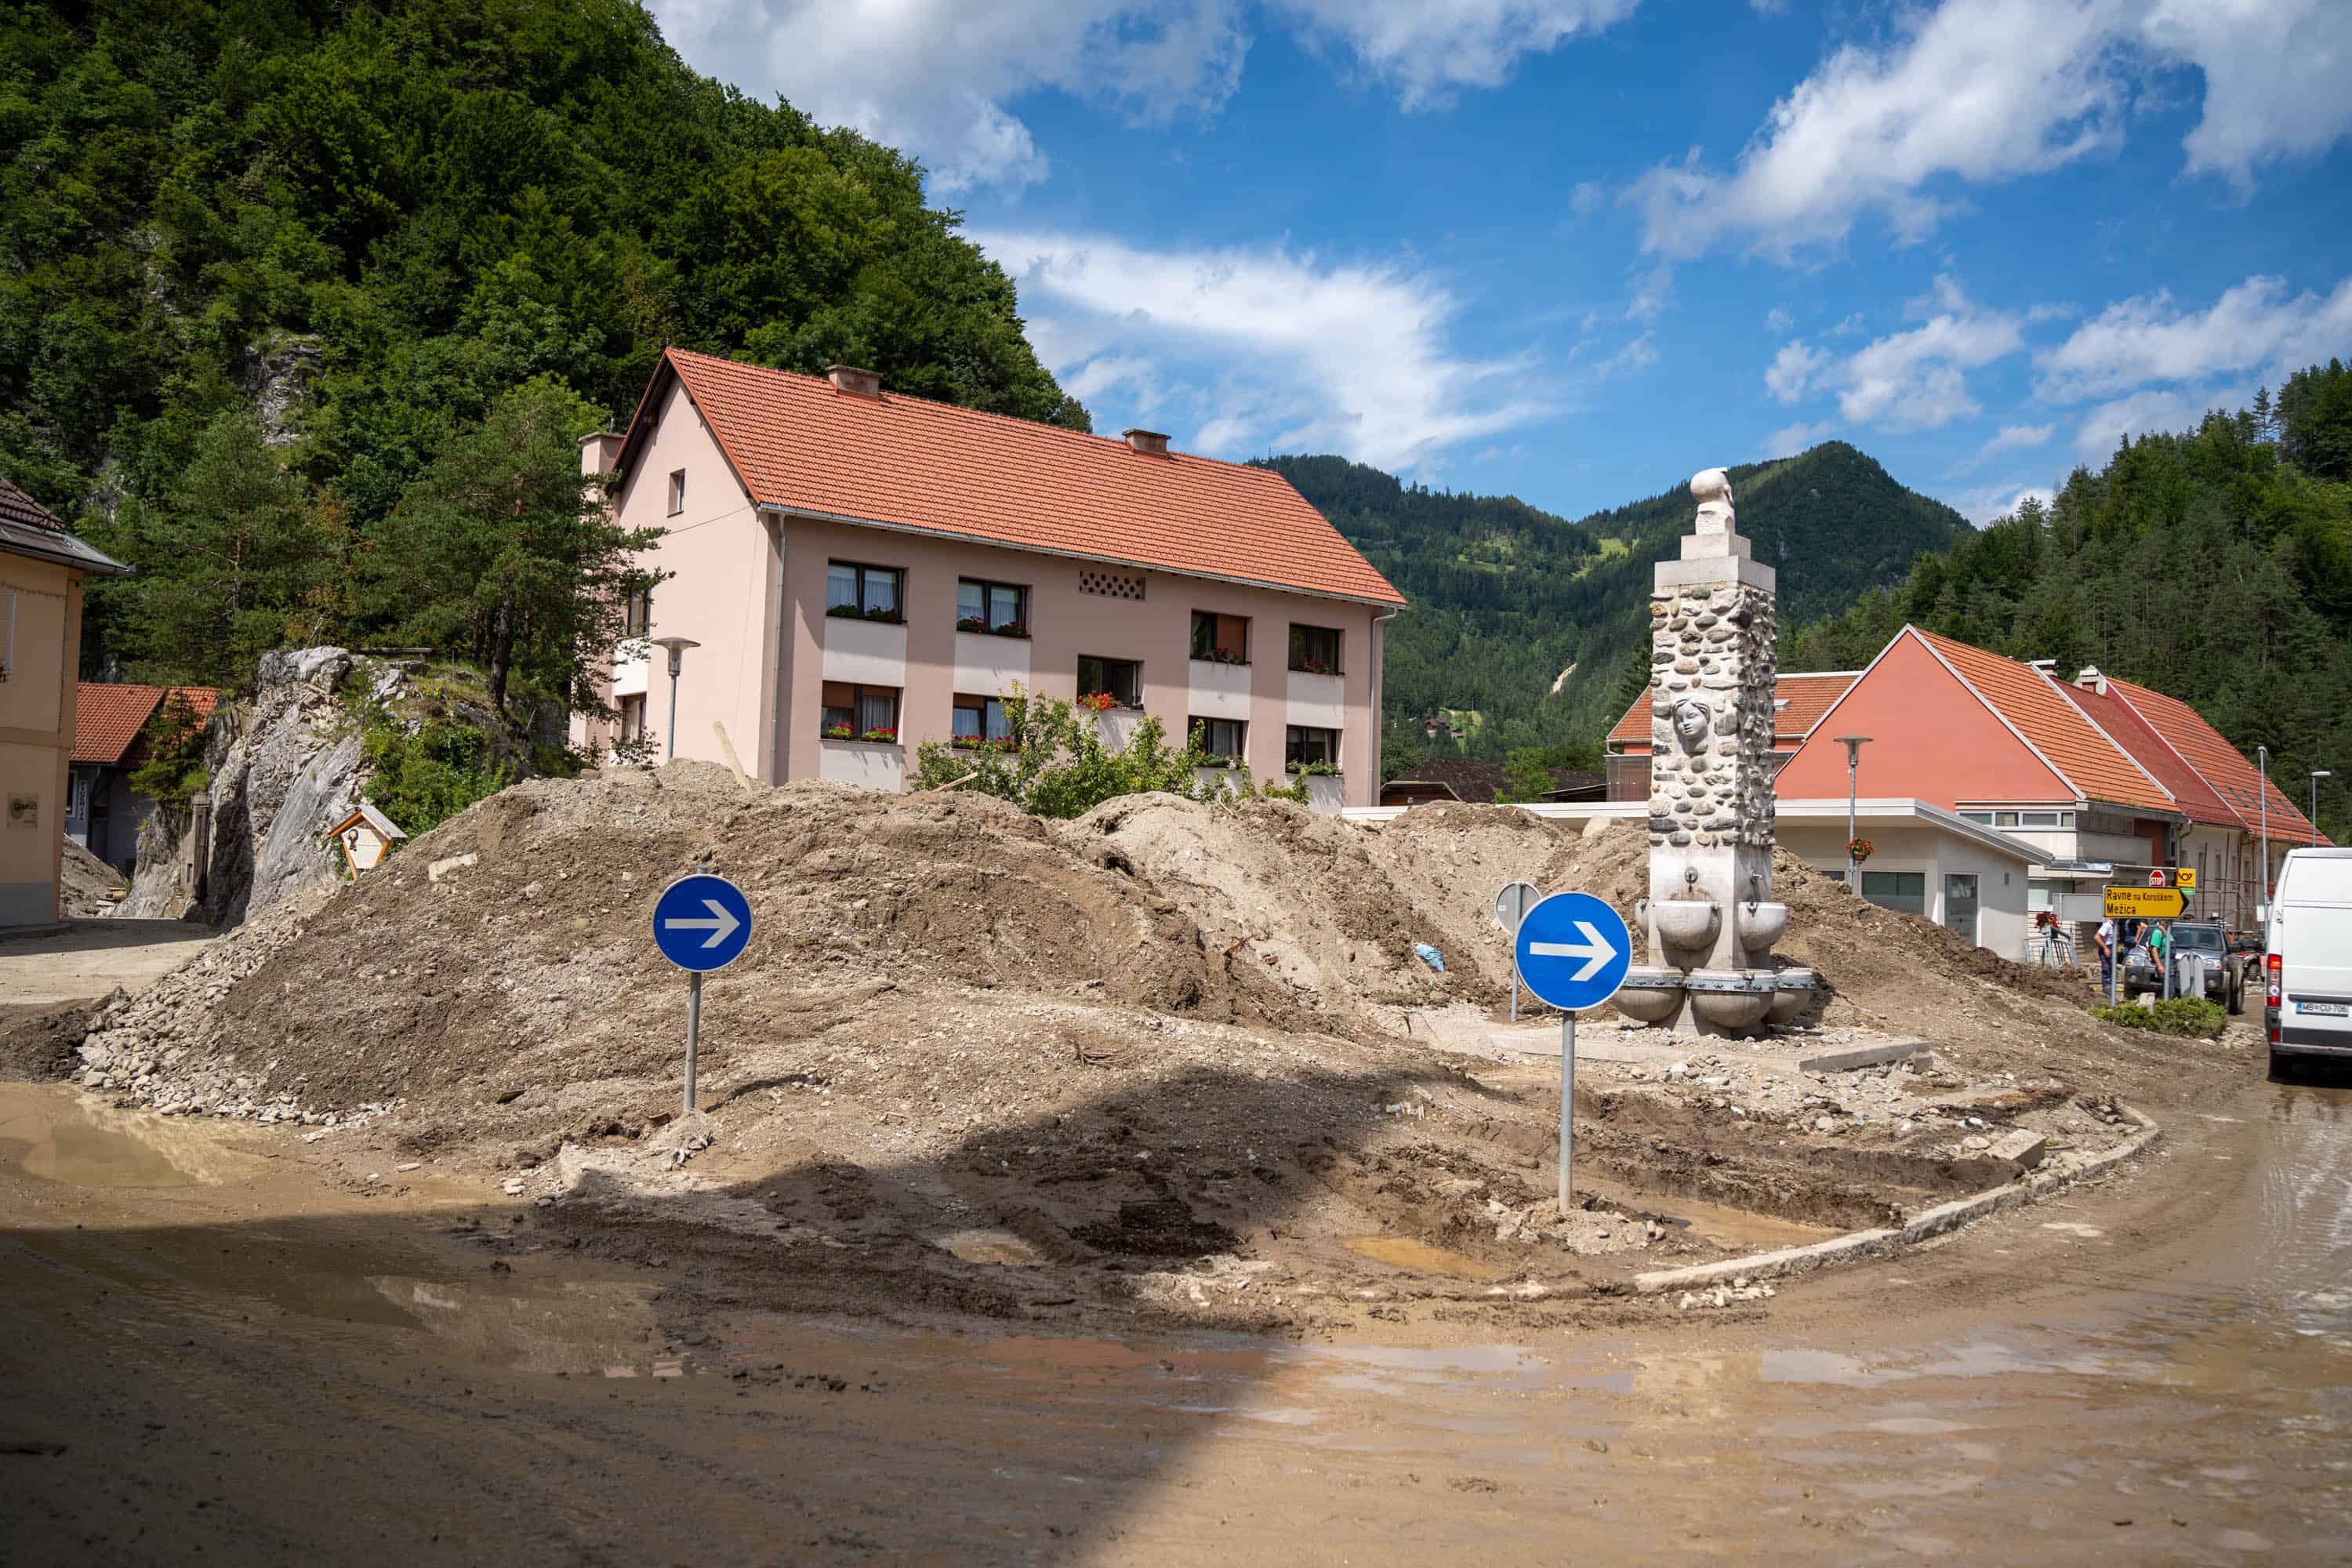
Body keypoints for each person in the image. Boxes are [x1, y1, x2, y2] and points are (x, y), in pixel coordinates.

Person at [2094, 915, 2116, 990]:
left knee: (2111, 969)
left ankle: (2111, 989)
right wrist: (2105, 948)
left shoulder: (2115, 926)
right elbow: (2097, 937)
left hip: (2112, 948)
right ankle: (2106, 988)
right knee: (2106, 969)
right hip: (2106, 948)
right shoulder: (2107, 925)